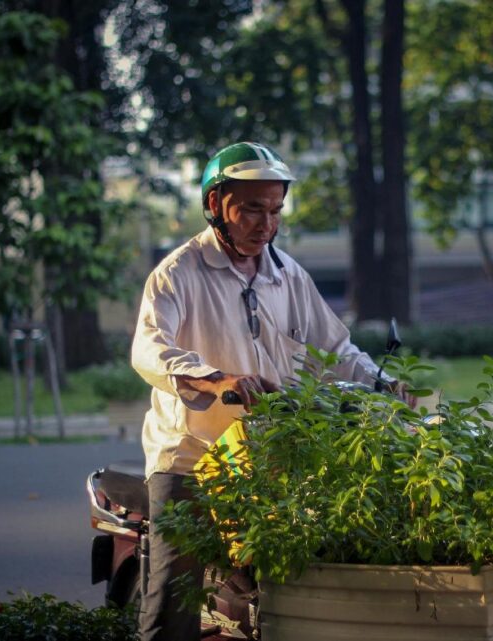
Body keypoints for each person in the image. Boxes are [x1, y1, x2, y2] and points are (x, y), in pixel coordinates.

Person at [131, 141, 412, 641]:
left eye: (276, 210)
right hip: (191, 458)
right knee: (174, 599)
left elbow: (336, 349)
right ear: (216, 205)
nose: (266, 224)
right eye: (252, 209)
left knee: (302, 588)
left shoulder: (289, 277)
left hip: (272, 457)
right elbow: (150, 349)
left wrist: (381, 382)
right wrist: (218, 379)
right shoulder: (176, 274)